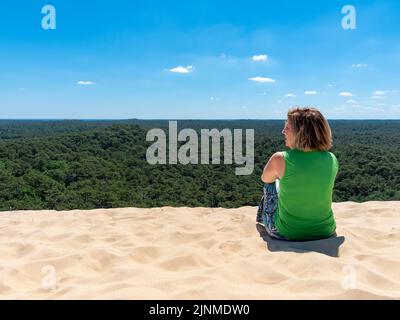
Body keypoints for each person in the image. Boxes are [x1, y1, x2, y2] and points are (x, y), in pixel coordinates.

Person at [256, 107, 339, 241]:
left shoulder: (280, 158)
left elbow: (265, 178)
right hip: (326, 231)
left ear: (300, 132)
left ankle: (263, 220)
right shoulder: (331, 158)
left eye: (287, 128)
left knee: (271, 184)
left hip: (287, 233)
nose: (283, 132)